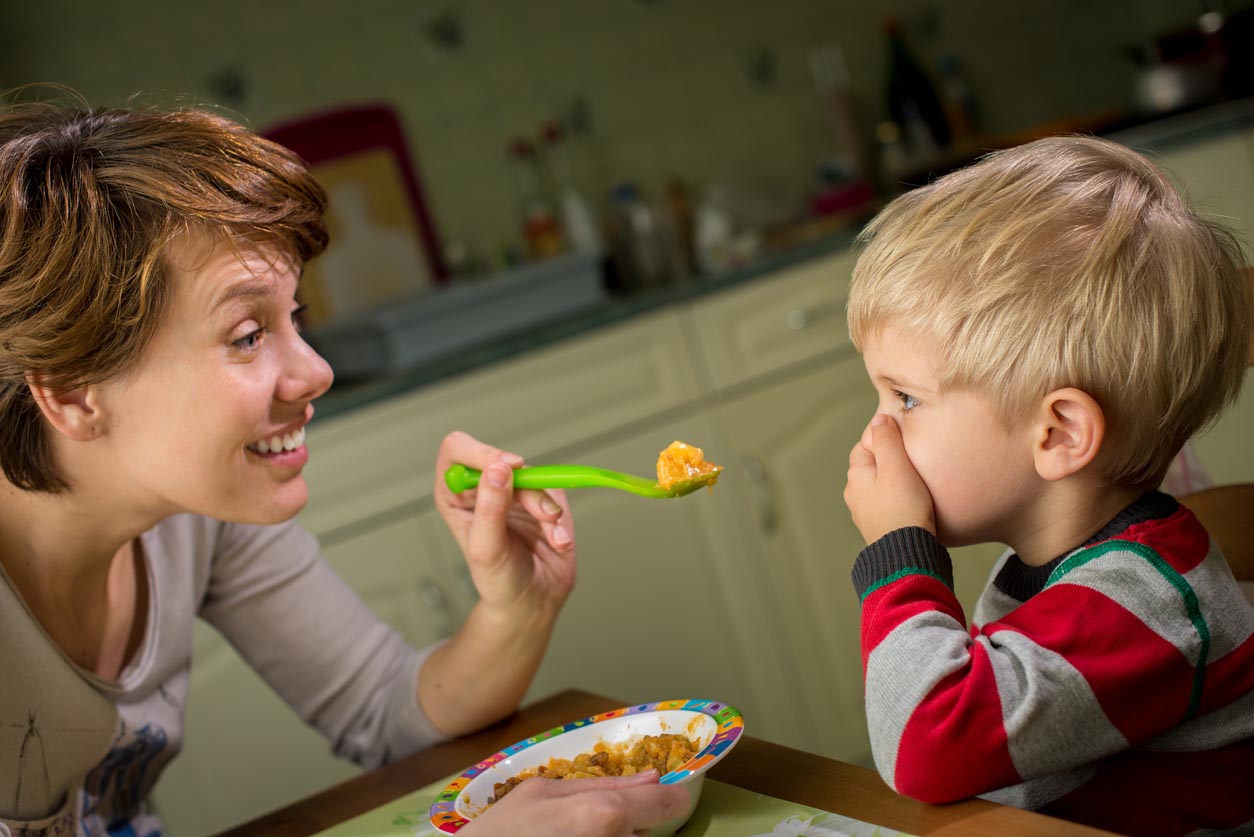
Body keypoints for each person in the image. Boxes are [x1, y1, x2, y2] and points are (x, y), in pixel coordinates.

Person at [0, 93, 687, 835]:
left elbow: (381, 705)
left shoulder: (193, 511)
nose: (317, 371)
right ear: (72, 392)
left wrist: (516, 609)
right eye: (245, 334)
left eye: (292, 317)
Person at [842, 135, 1253, 835]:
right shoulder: (1053, 570)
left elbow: (928, 746)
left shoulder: (1146, 604)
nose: (878, 431)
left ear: (1059, 434)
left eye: (904, 398)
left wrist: (899, 555)